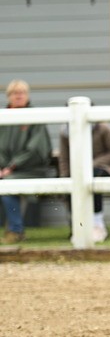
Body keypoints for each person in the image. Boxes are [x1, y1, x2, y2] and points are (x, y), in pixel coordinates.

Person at [0, 80, 53, 243]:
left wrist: (12, 166)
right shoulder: (3, 117)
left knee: (7, 186)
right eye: (15, 93)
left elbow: (35, 150)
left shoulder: (34, 117)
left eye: (22, 93)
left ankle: (16, 230)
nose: (19, 96)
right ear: (9, 96)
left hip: (30, 169)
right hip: (5, 170)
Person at [59, 115, 110, 243]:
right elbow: (64, 157)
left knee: (93, 179)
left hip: (105, 168)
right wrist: (65, 176)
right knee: (72, 184)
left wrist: (92, 164)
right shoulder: (65, 132)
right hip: (76, 171)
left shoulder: (103, 129)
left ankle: (97, 224)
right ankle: (77, 226)